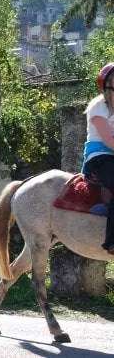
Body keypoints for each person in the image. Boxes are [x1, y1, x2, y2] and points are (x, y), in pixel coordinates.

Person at [81, 62, 114, 254]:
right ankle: (111, 242)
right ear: (107, 83)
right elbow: (108, 141)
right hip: (99, 156)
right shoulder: (98, 106)